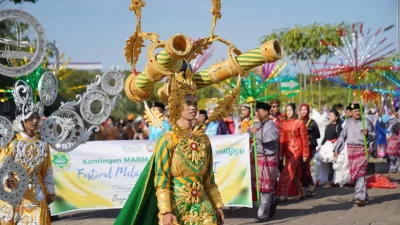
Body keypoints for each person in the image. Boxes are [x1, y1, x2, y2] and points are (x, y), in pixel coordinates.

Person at [115, 63, 225, 225]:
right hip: (177, 208)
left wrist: (217, 205)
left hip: (203, 208)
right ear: (176, 105)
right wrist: (166, 211)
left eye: (195, 103)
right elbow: (161, 179)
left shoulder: (204, 139)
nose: (192, 107)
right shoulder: (167, 140)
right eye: (187, 103)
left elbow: (209, 179)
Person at [0, 81, 55, 225]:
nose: (35, 121)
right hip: (16, 190)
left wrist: (50, 190)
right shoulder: (13, 143)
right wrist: (7, 179)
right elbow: (3, 165)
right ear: (23, 120)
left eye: (37, 117)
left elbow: (47, 168)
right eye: (31, 117)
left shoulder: (43, 143)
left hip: (37, 191)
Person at [333, 103, 375, 206]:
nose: (357, 112)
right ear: (351, 113)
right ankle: (364, 196)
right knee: (356, 175)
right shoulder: (348, 123)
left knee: (360, 173)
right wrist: (336, 148)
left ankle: (359, 197)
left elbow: (375, 135)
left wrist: (368, 133)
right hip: (351, 151)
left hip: (362, 150)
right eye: (355, 111)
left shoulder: (366, 122)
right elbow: (342, 136)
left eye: (359, 110)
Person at [249, 102, 280, 223]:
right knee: (259, 186)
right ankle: (272, 201)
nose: (257, 113)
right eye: (256, 111)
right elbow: (248, 134)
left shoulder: (271, 125)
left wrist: (256, 132)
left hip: (268, 158)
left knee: (265, 188)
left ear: (266, 112)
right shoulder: (257, 124)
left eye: (259, 111)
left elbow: (270, 137)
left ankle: (263, 214)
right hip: (257, 158)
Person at [275, 103, 309, 201]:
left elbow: (305, 139)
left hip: (297, 150)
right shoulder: (283, 123)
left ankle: (283, 193)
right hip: (287, 150)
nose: (289, 112)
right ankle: (300, 192)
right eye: (287, 110)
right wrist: (281, 153)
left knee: (287, 171)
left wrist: (305, 154)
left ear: (294, 111)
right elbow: (282, 139)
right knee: (295, 172)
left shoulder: (300, 122)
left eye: (290, 110)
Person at [299, 104, 320, 196]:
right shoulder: (297, 121)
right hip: (300, 146)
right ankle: (304, 184)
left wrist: (309, 135)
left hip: (310, 146)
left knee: (305, 164)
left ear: (308, 111)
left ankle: (311, 185)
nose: (303, 111)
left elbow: (318, 135)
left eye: (305, 109)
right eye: (302, 110)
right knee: (301, 166)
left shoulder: (312, 122)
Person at [318, 110, 342, 188]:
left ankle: (329, 182)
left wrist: (337, 148)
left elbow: (339, 138)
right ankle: (325, 180)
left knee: (332, 164)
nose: (330, 117)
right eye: (329, 115)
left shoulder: (338, 126)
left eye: (332, 115)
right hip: (327, 146)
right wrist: (320, 146)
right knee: (325, 164)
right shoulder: (327, 126)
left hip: (334, 146)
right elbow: (325, 137)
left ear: (336, 117)